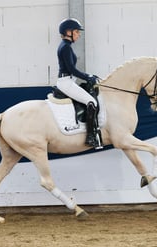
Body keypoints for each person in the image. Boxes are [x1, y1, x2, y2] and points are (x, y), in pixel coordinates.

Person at [57, 18, 102, 149]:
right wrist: (88, 76)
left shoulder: (66, 46)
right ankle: (91, 136)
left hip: (69, 80)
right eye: (77, 31)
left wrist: (89, 76)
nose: (79, 34)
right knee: (91, 102)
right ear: (68, 32)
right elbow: (71, 69)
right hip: (66, 82)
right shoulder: (65, 47)